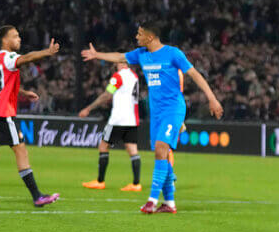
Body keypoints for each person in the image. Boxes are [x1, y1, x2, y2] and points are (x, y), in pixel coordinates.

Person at [81, 22, 223, 214]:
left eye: (139, 34)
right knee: (161, 154)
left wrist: (212, 99)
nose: (136, 37)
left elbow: (195, 75)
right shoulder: (141, 54)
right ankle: (170, 203)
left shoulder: (173, 54)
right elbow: (120, 56)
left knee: (160, 149)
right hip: (155, 112)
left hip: (173, 109)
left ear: (150, 37)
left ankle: (152, 200)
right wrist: (97, 55)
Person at [0, 26, 60, 208]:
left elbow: (4, 86)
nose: (19, 39)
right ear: (5, 40)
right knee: (21, 150)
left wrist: (23, 93)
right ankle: (37, 196)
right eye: (15, 36)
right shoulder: (9, 57)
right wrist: (47, 53)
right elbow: (26, 58)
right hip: (3, 113)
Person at [80, 61, 143, 192]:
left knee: (103, 146)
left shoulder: (118, 76)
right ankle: (136, 184)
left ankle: (100, 181)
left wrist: (89, 108)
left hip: (118, 119)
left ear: (120, 62)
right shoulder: (134, 76)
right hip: (132, 118)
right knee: (132, 149)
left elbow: (107, 94)